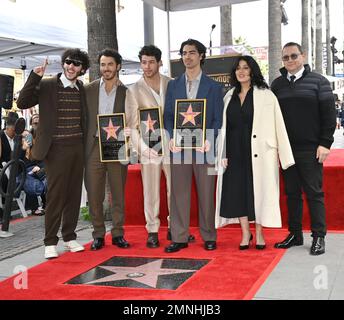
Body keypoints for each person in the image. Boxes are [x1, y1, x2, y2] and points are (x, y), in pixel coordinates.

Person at [215, 56, 295, 250]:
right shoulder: (228, 96)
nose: (241, 71)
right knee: (238, 192)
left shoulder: (266, 95)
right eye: (238, 69)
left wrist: (285, 157)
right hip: (234, 153)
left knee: (257, 192)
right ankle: (245, 233)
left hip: (259, 152)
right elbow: (222, 129)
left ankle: (259, 232)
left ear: (252, 71)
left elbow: (279, 126)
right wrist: (221, 154)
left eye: (245, 68)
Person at [17, 48, 90, 259]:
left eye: (76, 64)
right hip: (55, 149)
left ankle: (69, 237)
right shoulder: (48, 84)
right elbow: (22, 103)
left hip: (77, 147)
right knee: (56, 195)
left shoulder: (81, 89)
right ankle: (50, 241)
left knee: (74, 195)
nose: (71, 66)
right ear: (63, 63)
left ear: (82, 69)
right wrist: (34, 76)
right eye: (68, 62)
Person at [272, 42, 336, 255]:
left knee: (314, 193)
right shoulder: (277, 85)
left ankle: (319, 237)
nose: (289, 60)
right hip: (286, 150)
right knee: (291, 193)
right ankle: (295, 234)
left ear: (303, 56)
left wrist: (325, 143)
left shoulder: (319, 81)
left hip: (311, 149)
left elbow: (329, 115)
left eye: (293, 56)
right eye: (286, 58)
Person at [163, 39, 223, 253]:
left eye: (192, 52)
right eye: (184, 53)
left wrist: (210, 138)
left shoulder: (214, 87)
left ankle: (209, 235)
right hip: (179, 149)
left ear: (201, 56)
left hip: (204, 149)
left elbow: (218, 119)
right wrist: (170, 136)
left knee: (206, 192)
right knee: (179, 192)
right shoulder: (173, 85)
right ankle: (179, 237)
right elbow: (168, 116)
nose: (187, 56)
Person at [84, 48, 130, 251]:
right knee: (94, 193)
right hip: (93, 145)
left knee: (118, 192)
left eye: (110, 64)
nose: (106, 68)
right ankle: (98, 235)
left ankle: (118, 233)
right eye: (103, 64)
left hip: (116, 145)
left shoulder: (127, 92)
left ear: (118, 66)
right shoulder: (89, 89)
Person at [19, 129, 46, 216]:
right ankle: (35, 207)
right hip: (23, 175)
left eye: (28, 136)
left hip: (37, 174)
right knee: (28, 179)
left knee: (46, 175)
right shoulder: (18, 151)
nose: (26, 138)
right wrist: (23, 149)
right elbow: (16, 166)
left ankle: (47, 204)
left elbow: (42, 161)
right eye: (24, 137)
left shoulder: (34, 150)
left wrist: (39, 167)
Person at [0, 112, 19, 224]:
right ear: (8, 128)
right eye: (12, 129)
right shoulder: (1, 136)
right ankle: (3, 210)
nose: (14, 132)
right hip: (4, 166)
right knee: (4, 178)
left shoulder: (18, 137)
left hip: (16, 166)